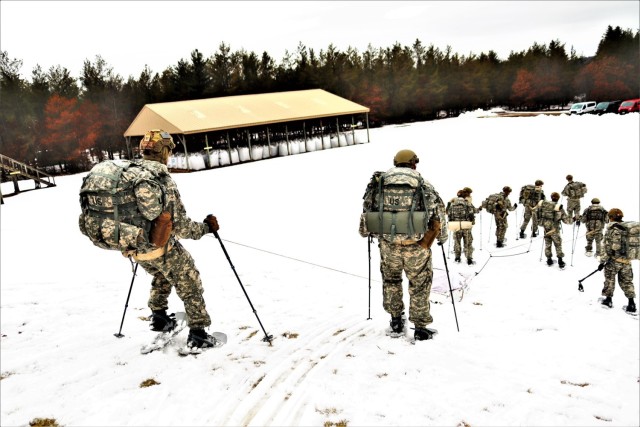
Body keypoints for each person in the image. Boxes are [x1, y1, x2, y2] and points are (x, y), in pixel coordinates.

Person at [133, 129, 221, 349]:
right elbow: (181, 227)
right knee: (189, 281)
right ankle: (198, 334)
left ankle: (159, 316)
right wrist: (205, 229)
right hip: (159, 247)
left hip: (135, 248)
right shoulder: (162, 180)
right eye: (169, 150)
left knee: (163, 274)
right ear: (162, 152)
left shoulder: (130, 175)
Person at [360, 149, 447, 341]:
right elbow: (438, 214)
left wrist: (368, 232)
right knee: (420, 284)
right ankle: (421, 328)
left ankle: (396, 321)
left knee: (391, 281)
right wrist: (442, 237)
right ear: (414, 164)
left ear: (395, 163)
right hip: (416, 246)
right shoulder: (423, 185)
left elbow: (367, 209)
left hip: (388, 245)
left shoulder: (379, 184)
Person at [598, 208, 636, 312]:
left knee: (610, 280)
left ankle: (608, 300)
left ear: (611, 217)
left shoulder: (611, 230)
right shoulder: (628, 228)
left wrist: (602, 262)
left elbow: (606, 248)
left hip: (613, 261)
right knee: (627, 282)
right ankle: (631, 304)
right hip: (627, 261)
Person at [538, 192, 570, 268]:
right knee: (558, 244)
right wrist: (573, 219)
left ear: (551, 197)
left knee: (547, 243)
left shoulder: (544, 205)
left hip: (546, 227)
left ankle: (549, 259)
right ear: (558, 198)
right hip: (554, 228)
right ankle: (560, 260)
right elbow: (566, 221)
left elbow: (538, 213)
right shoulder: (558, 207)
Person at [446, 189, 477, 265]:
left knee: (457, 242)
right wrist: (472, 221)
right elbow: (472, 212)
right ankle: (469, 258)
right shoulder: (467, 202)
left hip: (455, 225)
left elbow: (447, 213)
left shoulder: (452, 203)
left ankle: (457, 258)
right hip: (466, 224)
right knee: (468, 242)